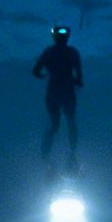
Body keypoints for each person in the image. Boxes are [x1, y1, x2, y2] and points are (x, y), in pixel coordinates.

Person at [33, 25, 84, 175]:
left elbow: (36, 71)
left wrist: (46, 75)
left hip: (53, 91)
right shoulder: (73, 52)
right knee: (70, 122)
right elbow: (79, 78)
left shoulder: (49, 52)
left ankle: (46, 156)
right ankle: (71, 153)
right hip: (67, 91)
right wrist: (73, 80)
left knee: (55, 123)